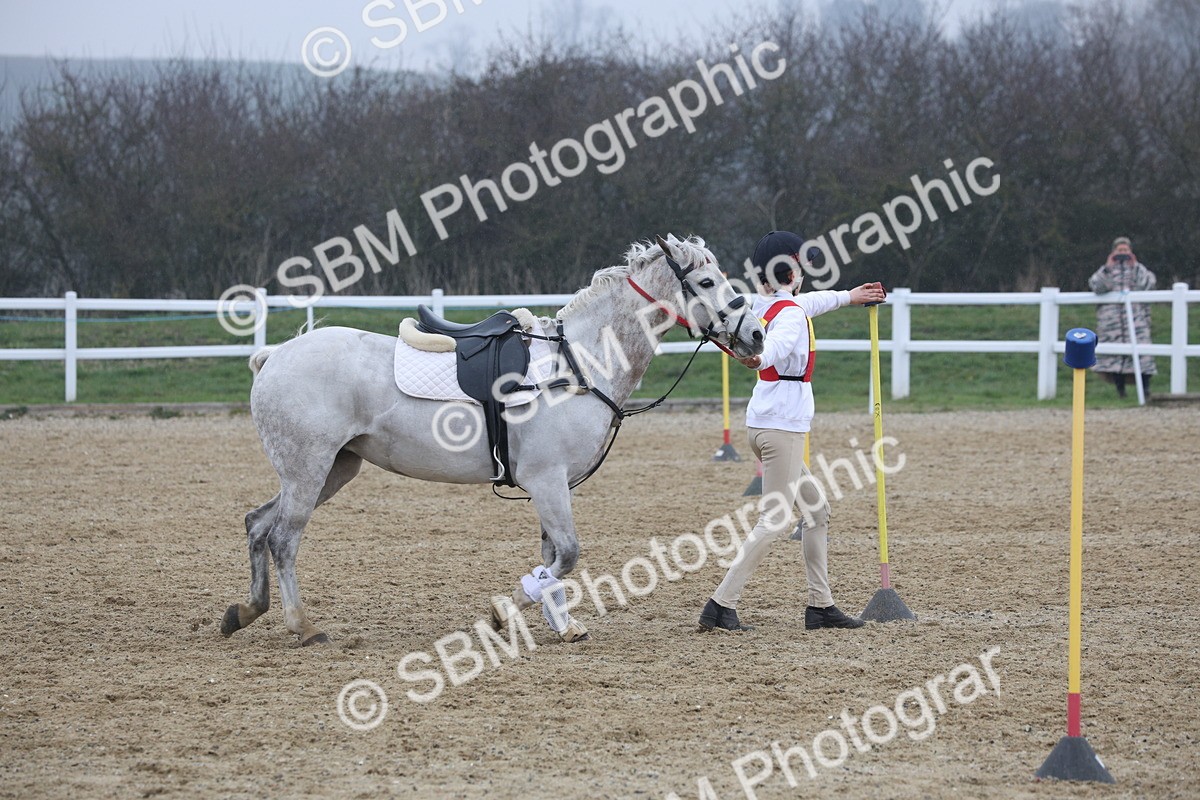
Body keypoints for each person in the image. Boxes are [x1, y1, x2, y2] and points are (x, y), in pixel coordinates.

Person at [698, 231, 886, 633]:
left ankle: (821, 606)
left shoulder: (765, 304)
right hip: (781, 429)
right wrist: (761, 356)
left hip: (765, 423)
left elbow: (812, 303)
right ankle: (720, 604)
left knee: (817, 511)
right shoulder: (789, 314)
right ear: (791, 270)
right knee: (775, 521)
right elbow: (781, 342)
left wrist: (850, 296)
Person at [1088, 236, 1157, 398]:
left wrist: (1135, 266)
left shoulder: (1138, 269)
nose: (1123, 253)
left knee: (1142, 356)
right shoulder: (1106, 270)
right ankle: (1121, 392)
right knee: (1115, 359)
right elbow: (1096, 286)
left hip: (1137, 321)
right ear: (1113, 252)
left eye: (1126, 250)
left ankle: (1145, 390)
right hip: (1112, 324)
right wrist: (1108, 267)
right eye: (1120, 250)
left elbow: (1148, 284)